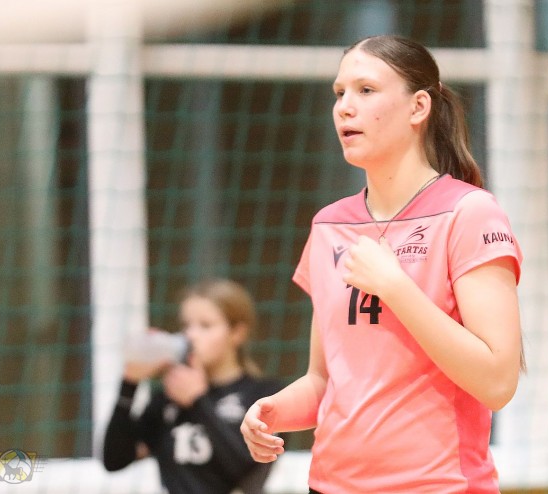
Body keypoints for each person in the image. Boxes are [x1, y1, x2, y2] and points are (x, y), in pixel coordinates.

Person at [240, 34, 525, 493]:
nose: (344, 108)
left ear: (418, 107)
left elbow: (497, 383)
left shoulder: (469, 212)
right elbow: (324, 380)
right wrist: (273, 410)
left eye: (366, 90)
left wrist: (396, 287)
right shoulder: (330, 224)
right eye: (339, 93)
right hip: (330, 485)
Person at [103, 278, 284, 494]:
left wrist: (198, 401)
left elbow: (248, 470)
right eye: (186, 325)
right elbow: (114, 460)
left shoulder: (264, 394)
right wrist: (129, 384)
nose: (191, 335)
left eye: (205, 326)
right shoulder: (168, 399)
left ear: (237, 333)